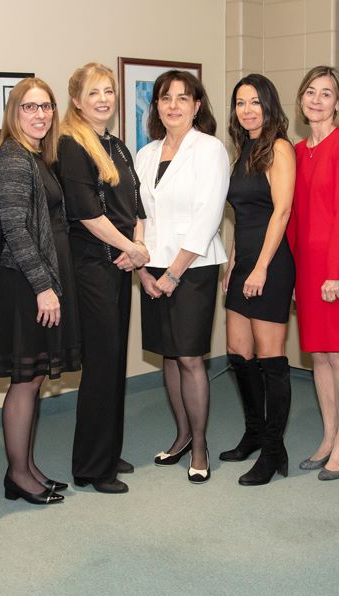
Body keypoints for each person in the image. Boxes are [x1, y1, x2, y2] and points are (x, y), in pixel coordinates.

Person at [0, 78, 75, 505]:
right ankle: (19, 474)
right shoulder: (13, 159)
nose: (40, 115)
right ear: (14, 113)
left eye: (46, 107)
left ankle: (27, 467)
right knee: (24, 380)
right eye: (30, 107)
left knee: (34, 377)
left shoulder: (37, 156)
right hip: (24, 284)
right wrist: (43, 287)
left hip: (40, 279)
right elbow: (15, 230)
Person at [56, 63, 148, 494]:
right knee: (100, 366)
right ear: (76, 99)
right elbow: (86, 212)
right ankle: (91, 467)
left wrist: (136, 245)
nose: (104, 99)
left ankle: (108, 451)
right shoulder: (72, 144)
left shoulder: (117, 146)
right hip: (93, 266)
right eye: (94, 93)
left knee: (114, 365)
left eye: (109, 91)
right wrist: (130, 249)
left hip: (121, 265)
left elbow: (136, 205)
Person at [134, 70, 229, 484]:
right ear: (157, 105)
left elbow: (208, 217)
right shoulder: (146, 154)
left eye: (182, 97)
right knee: (168, 356)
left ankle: (201, 445)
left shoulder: (209, 150)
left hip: (194, 267)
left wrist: (173, 274)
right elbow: (138, 215)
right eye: (165, 98)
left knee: (190, 357)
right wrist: (142, 269)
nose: (173, 104)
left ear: (197, 105)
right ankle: (181, 436)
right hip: (152, 266)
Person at [288, 65, 339, 480]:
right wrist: (298, 272)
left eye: (327, 94)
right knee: (318, 355)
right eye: (311, 92)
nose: (317, 100)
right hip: (308, 266)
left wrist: (334, 272)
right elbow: (295, 217)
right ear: (301, 99)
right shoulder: (298, 151)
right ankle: (328, 436)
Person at [221, 74, 296, 486]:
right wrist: (233, 261)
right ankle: (254, 432)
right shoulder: (244, 149)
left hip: (271, 261)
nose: (247, 109)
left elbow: (280, 213)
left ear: (269, 105)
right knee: (237, 352)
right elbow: (242, 214)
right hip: (245, 257)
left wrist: (261, 267)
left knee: (271, 359)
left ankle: (272, 449)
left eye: (254, 102)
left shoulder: (279, 149)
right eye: (240, 102)